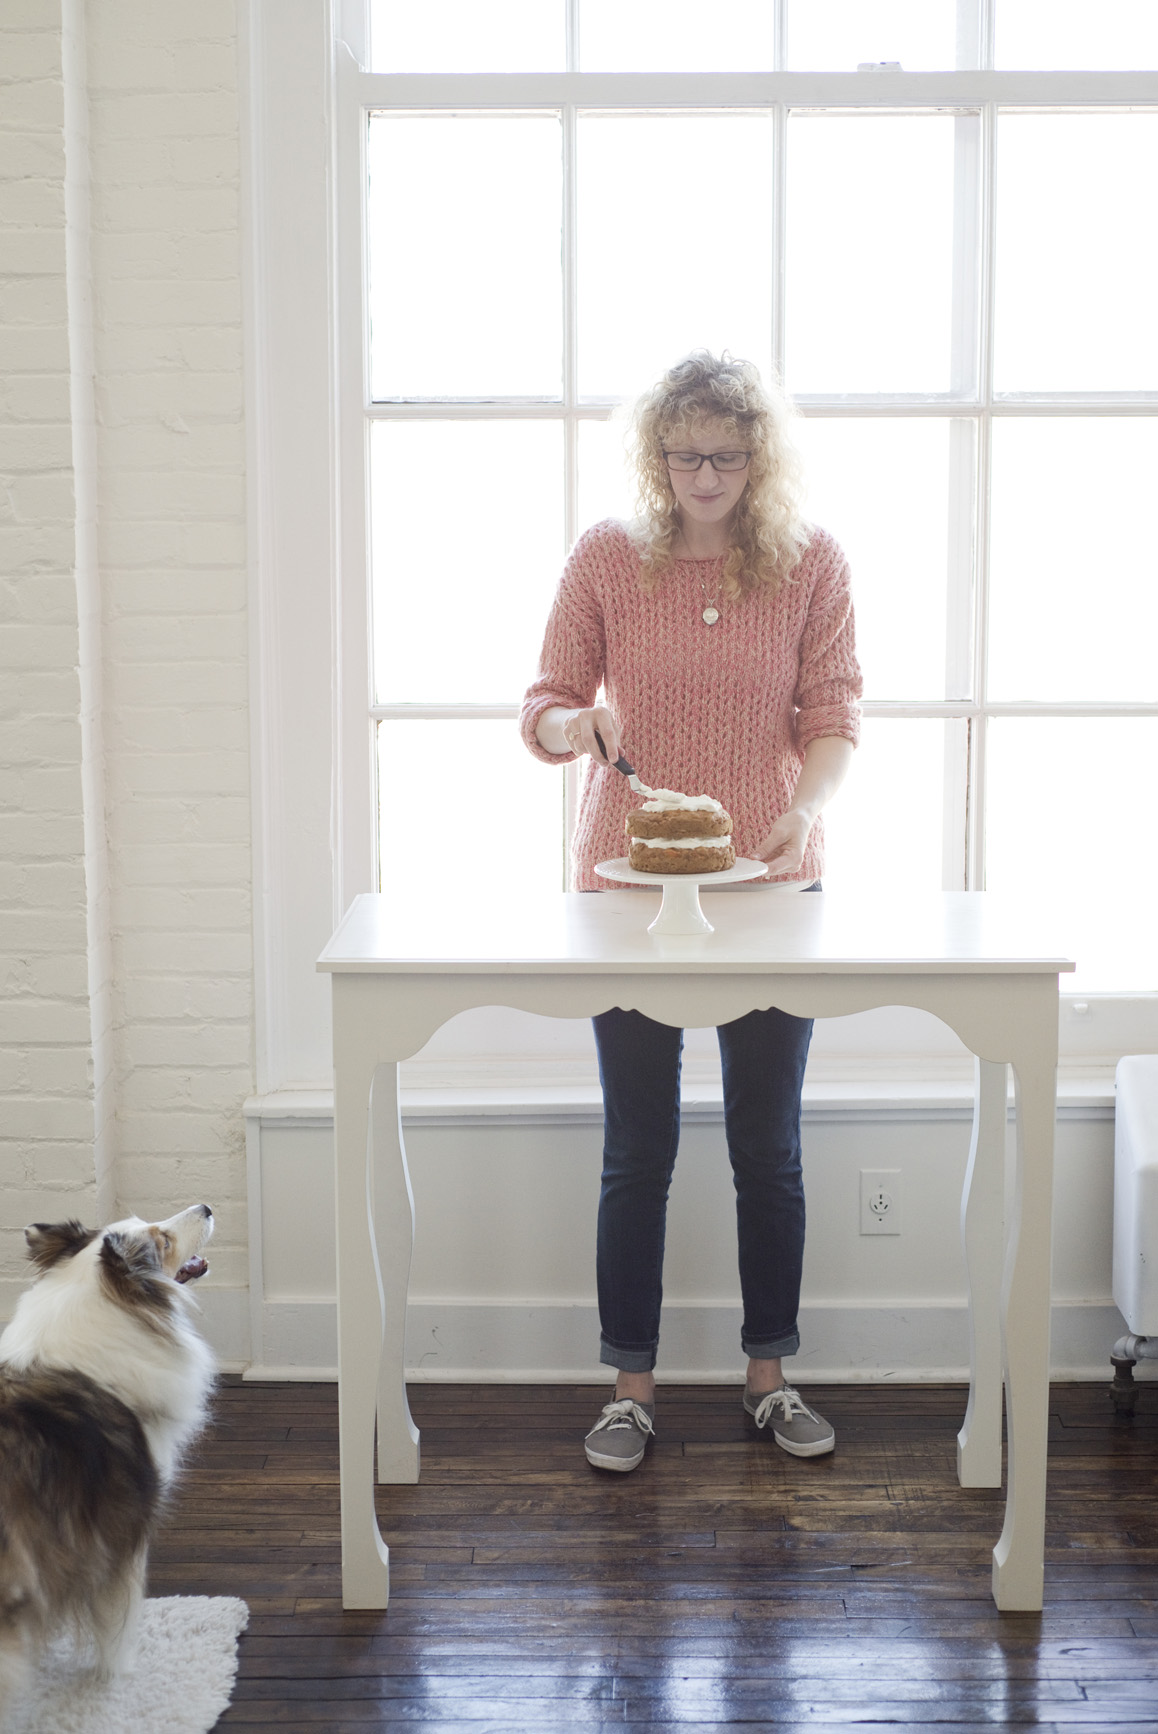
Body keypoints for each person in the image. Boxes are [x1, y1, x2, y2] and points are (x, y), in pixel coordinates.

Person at [519, 351, 862, 1472]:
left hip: (772, 887)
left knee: (768, 1146)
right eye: (683, 455)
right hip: (627, 889)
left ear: (760, 456)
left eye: (726, 454)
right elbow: (544, 704)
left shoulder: (810, 563)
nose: (704, 475)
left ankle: (770, 1378)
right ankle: (630, 1391)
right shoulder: (606, 557)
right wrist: (576, 727)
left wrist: (802, 811)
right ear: (654, 455)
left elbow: (834, 715)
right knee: (639, 1148)